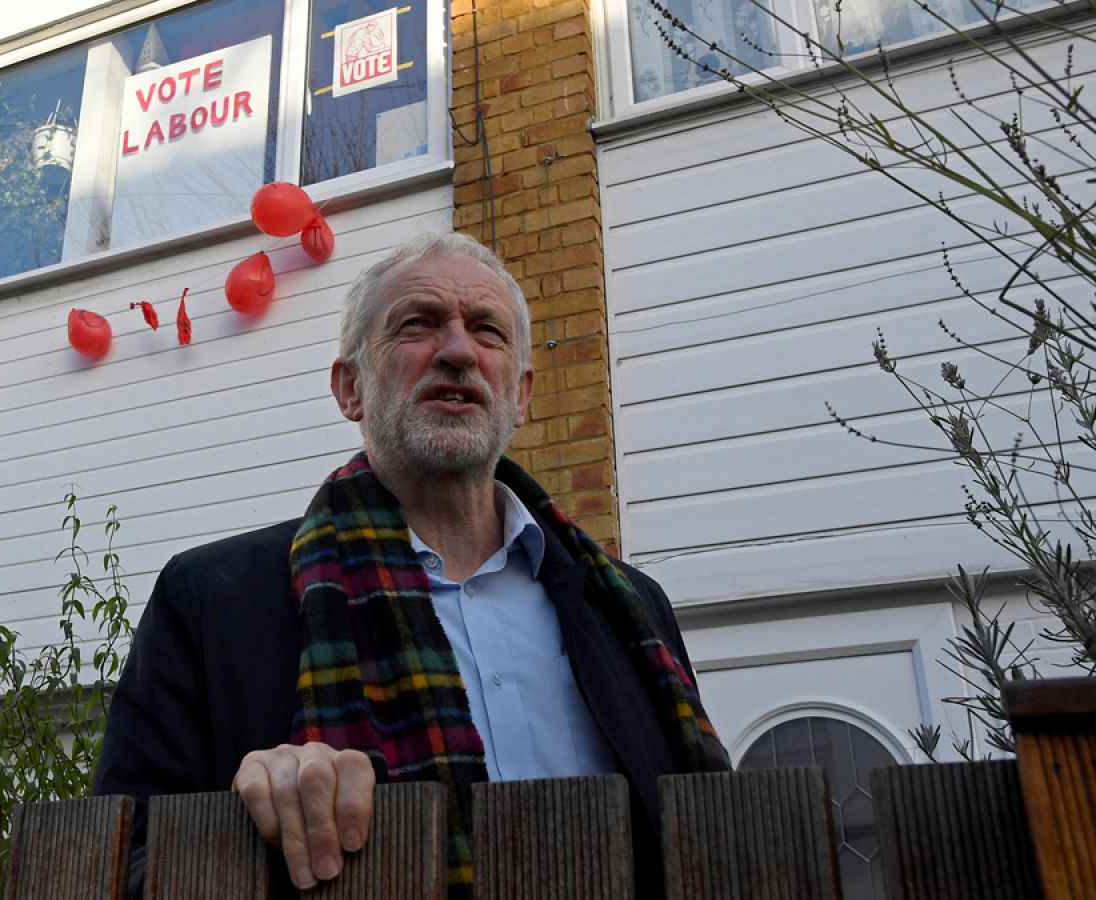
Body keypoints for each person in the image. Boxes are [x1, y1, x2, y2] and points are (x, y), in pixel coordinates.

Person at [93, 232, 730, 898]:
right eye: (417, 325)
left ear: (520, 394)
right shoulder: (212, 601)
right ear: (350, 389)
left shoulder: (630, 605)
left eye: (487, 332)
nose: (457, 351)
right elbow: (119, 862)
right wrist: (241, 823)